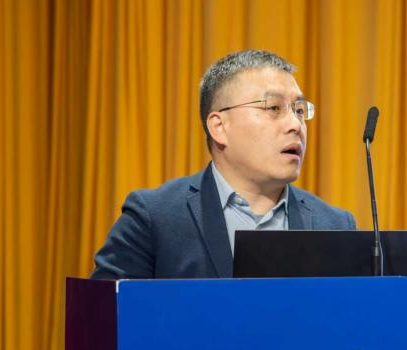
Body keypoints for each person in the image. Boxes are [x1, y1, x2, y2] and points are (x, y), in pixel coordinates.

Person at [91, 50, 356, 279]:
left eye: (299, 110)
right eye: (274, 108)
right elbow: (103, 316)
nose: (295, 125)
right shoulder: (155, 219)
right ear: (219, 126)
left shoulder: (335, 226)